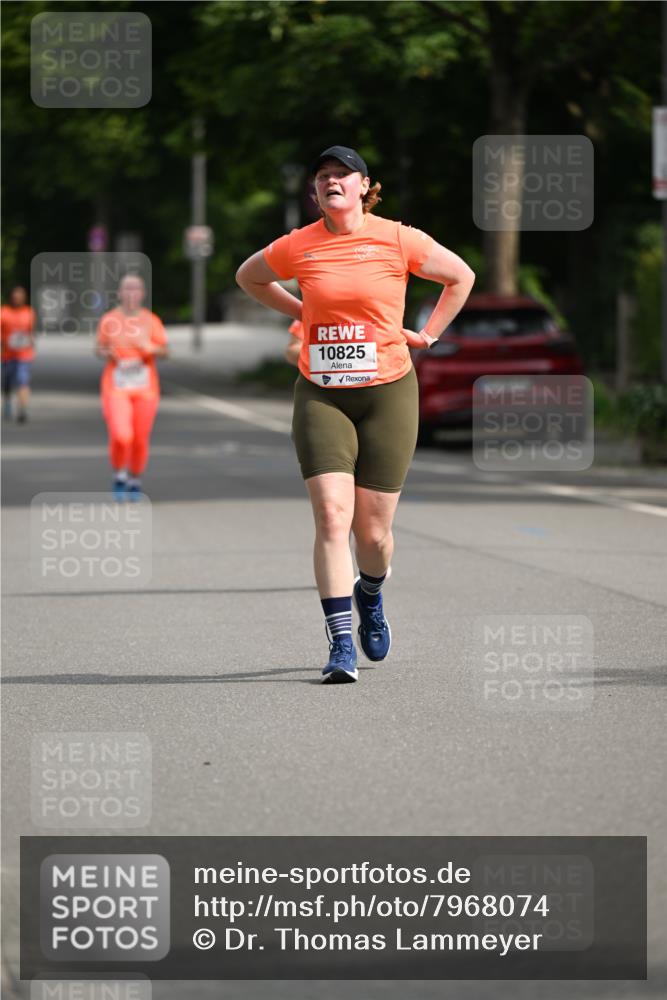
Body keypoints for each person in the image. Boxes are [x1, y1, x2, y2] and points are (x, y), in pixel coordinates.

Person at [236, 145, 475, 683]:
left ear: (365, 185)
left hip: (389, 391)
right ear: (314, 191)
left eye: (342, 175)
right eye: (323, 177)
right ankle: (341, 643)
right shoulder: (299, 245)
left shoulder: (397, 238)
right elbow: (248, 277)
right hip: (322, 393)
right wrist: (302, 311)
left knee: (372, 534)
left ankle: (371, 593)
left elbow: (460, 277)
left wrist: (430, 333)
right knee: (331, 517)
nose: (331, 182)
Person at [95, 273, 168, 500]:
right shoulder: (109, 320)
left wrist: (150, 347)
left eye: (136, 288)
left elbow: (165, 351)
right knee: (121, 435)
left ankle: (135, 479)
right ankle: (119, 474)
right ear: (119, 293)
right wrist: (108, 352)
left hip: (145, 389)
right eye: (127, 288)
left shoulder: (151, 320)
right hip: (116, 387)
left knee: (139, 438)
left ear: (143, 293)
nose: (131, 293)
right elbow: (98, 348)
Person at [1, 285, 36, 423]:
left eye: (20, 296)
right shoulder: (4, 312)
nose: (17, 298)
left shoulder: (29, 312)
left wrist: (32, 343)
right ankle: (8, 402)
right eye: (15, 296)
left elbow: (31, 332)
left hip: (24, 355)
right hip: (6, 354)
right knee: (6, 383)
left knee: (23, 381)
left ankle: (22, 409)